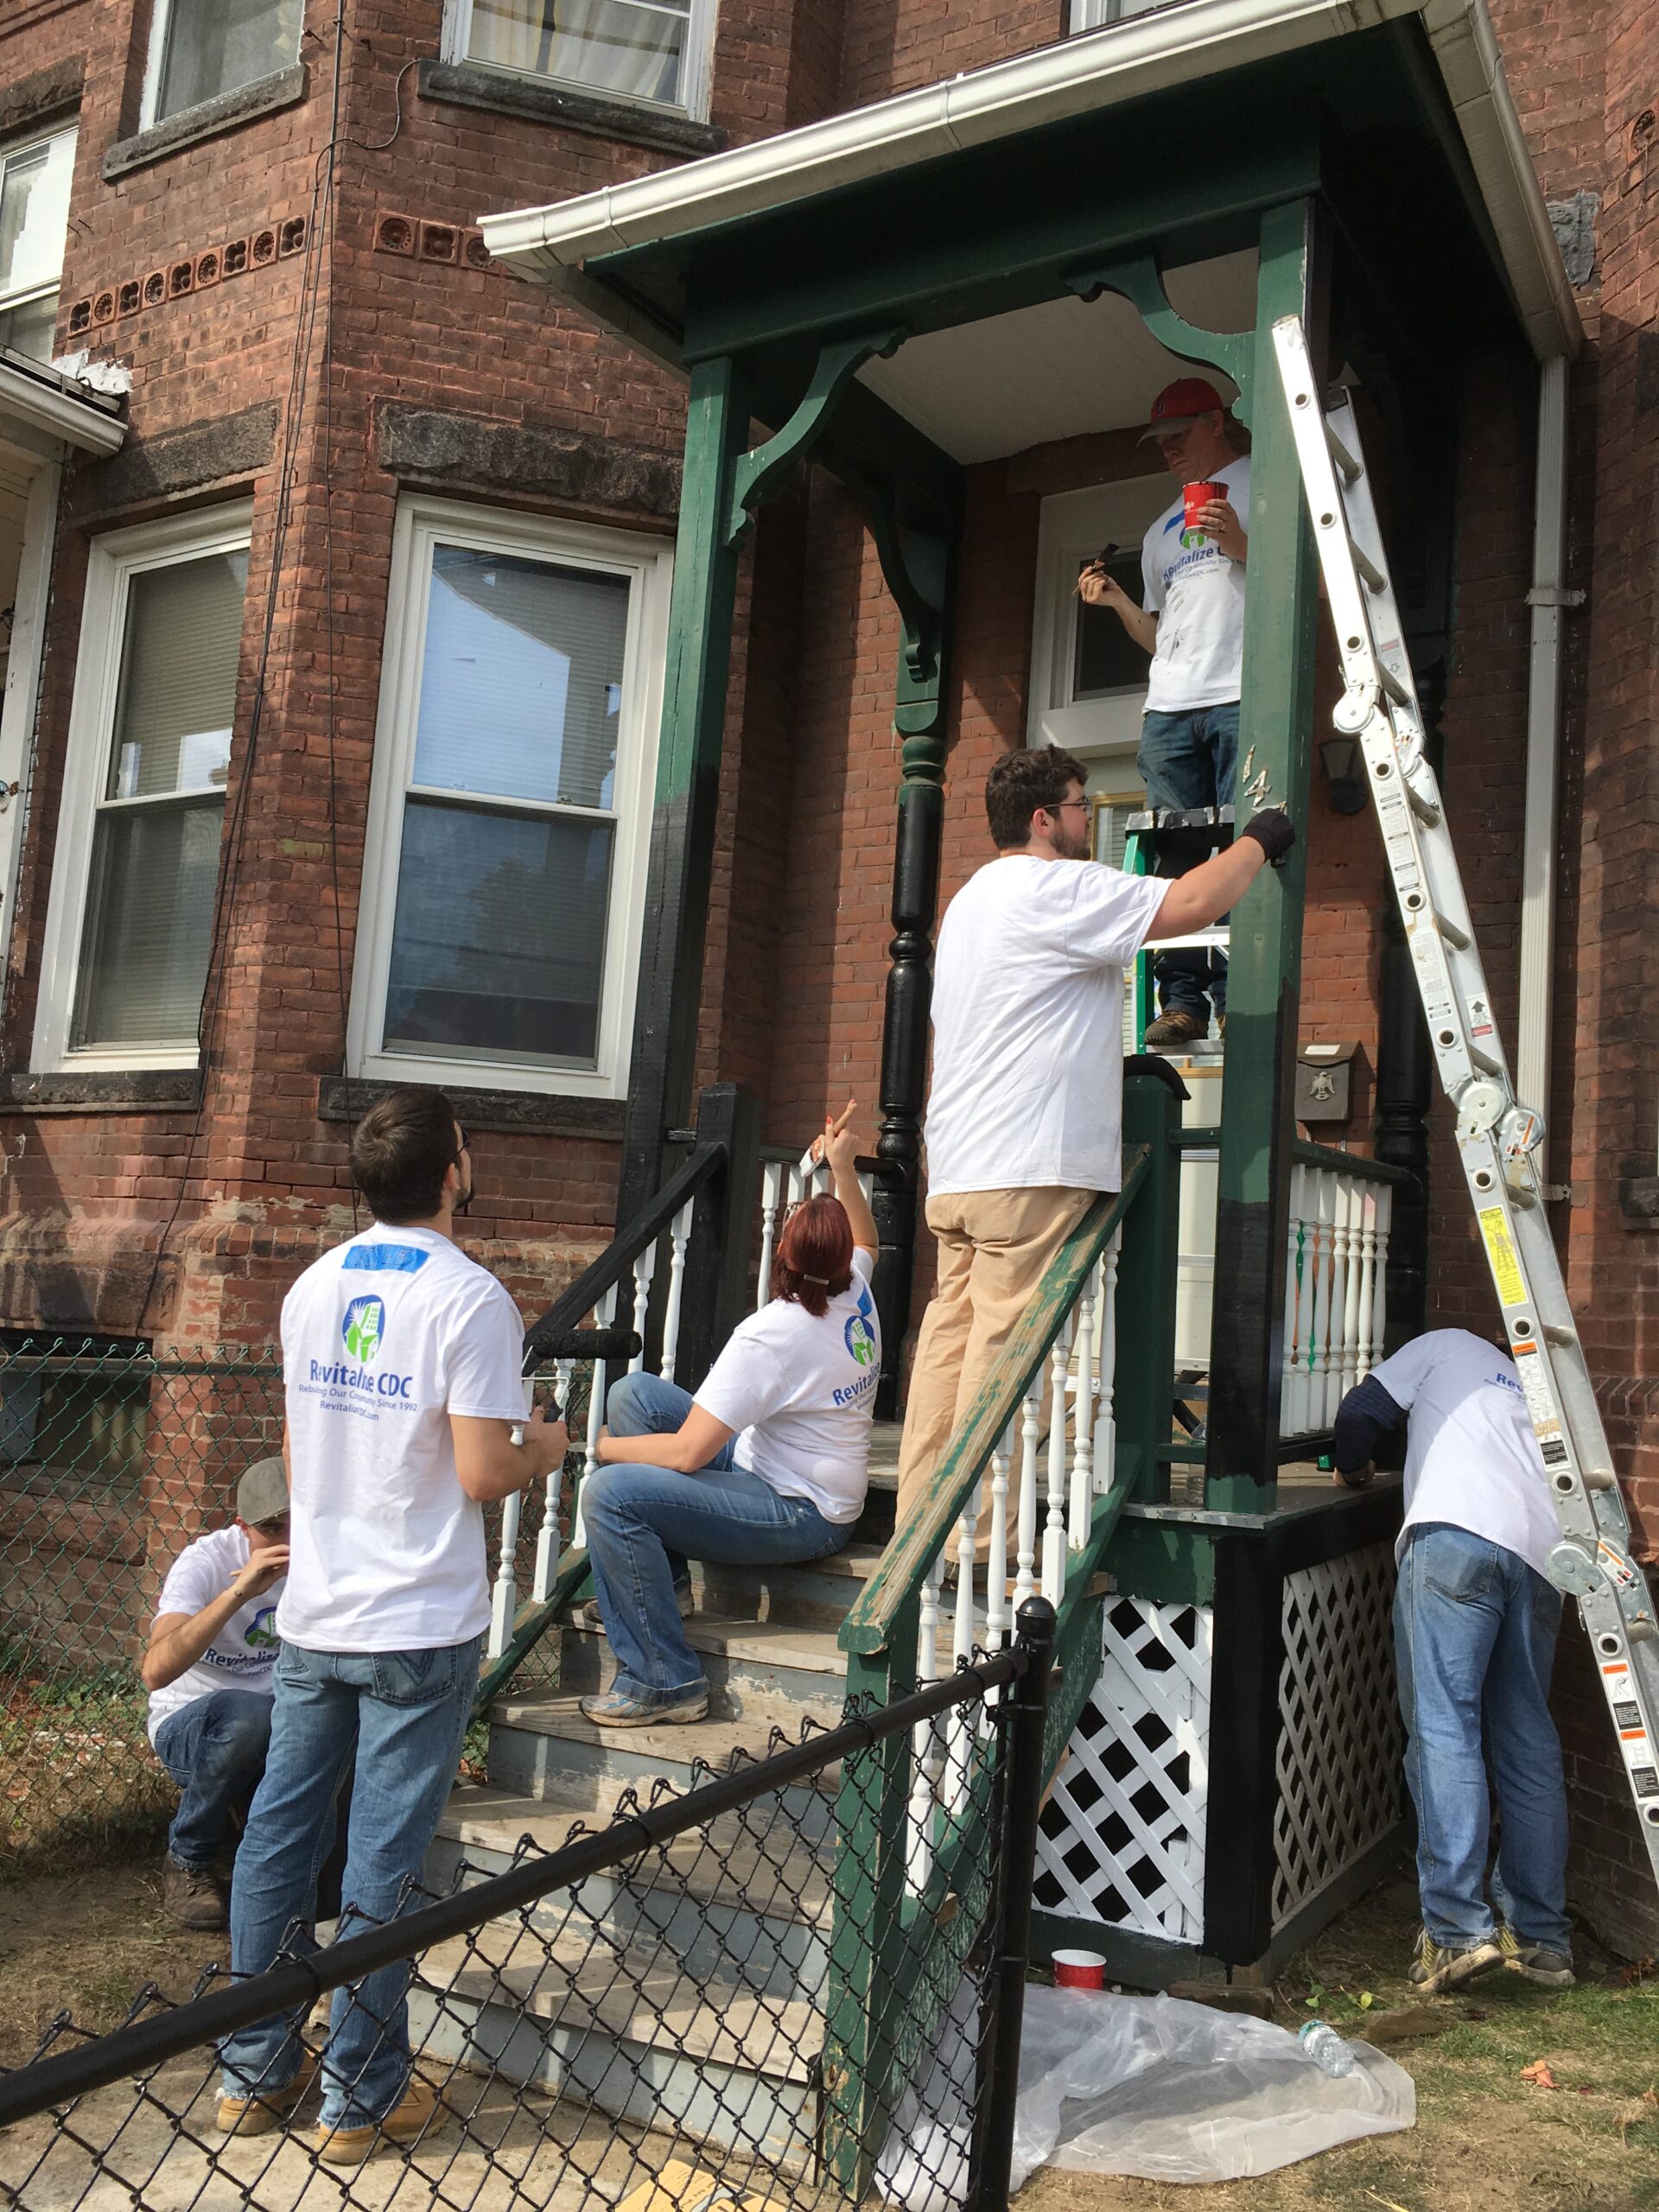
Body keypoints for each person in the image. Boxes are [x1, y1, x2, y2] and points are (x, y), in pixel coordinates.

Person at [217, 1086, 568, 2161]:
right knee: (382, 1853)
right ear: (453, 1170)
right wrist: (545, 1446)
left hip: (320, 1610)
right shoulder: (471, 1301)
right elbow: (480, 1468)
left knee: (280, 1832)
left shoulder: (311, 1287)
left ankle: (252, 2070)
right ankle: (362, 2096)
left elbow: (305, 1445)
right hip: (418, 1617)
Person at [894, 744, 1292, 1540]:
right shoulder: (1053, 886)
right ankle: (966, 1552)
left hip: (962, 1166)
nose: (1089, 820)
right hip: (1027, 1163)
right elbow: (1190, 904)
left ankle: (916, 1531)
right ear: (1044, 820)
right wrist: (1262, 838)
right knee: (1006, 1368)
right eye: (1081, 806)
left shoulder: (969, 901)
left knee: (950, 1349)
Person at [581, 1103, 880, 1726]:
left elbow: (688, 1454)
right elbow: (867, 1237)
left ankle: (665, 1681)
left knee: (609, 1494)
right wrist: (843, 1169)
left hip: (801, 1510)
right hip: (776, 1467)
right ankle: (668, 1587)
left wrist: (605, 1450)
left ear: (784, 1259)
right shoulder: (854, 1287)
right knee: (636, 1396)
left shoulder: (772, 1334)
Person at [1333, 1327, 1573, 1994]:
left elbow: (1362, 1412)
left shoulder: (1445, 1345)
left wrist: (1353, 1467)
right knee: (1528, 1743)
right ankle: (1542, 1939)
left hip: (1454, 1541)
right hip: (1541, 1557)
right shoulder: (1537, 1386)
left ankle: (1456, 1934)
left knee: (1444, 1730)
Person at [1078, 376, 1249, 1047]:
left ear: (1216, 422)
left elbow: (1296, 584)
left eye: (1179, 436)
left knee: (1242, 846)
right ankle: (1183, 1001)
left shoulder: (1264, 483)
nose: (1169, 451)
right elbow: (1161, 633)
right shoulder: (1160, 531)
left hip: (1240, 691)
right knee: (1174, 856)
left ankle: (1241, 993)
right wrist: (1118, 604)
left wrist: (1236, 540)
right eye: (1160, 443)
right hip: (1171, 705)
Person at [142, 1456, 290, 1930]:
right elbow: (156, 1670)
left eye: (299, 1524)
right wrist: (237, 1596)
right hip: (191, 1725)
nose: (288, 1541)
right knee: (247, 1716)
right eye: (273, 1528)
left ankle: (272, 1868)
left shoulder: (327, 1559)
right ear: (243, 1527)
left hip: (282, 1719)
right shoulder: (206, 1562)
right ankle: (188, 1860)